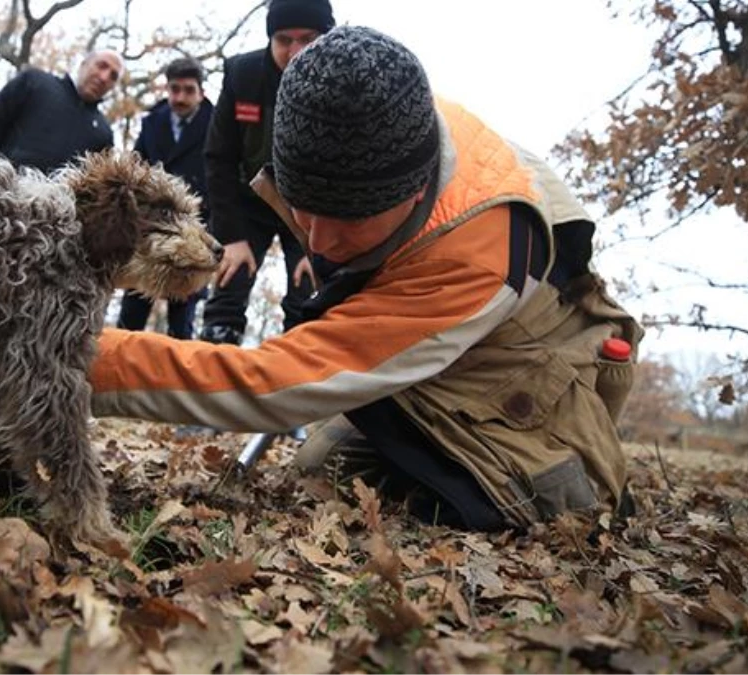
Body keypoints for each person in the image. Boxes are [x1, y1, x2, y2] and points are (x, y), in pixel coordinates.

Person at [88, 26, 644, 532]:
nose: (320, 244)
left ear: (414, 193)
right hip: (464, 329)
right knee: (320, 466)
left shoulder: (472, 255)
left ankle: (561, 467)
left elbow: (280, 384)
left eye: (347, 224)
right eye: (302, 210)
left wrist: (82, 353)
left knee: (486, 496)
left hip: (525, 368)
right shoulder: (382, 115)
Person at [198, 0, 335, 346]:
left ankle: (299, 378)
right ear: (271, 38)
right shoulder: (242, 75)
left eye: (308, 38)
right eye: (284, 39)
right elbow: (219, 157)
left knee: (310, 293)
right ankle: (214, 367)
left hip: (310, 208)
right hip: (248, 204)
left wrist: (324, 247)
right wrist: (230, 236)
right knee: (230, 281)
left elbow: (347, 172)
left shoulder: (344, 79)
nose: (295, 51)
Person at [117, 57, 215, 339]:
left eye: (188, 90)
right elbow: (135, 170)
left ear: (201, 92)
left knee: (182, 323)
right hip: (150, 235)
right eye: (175, 89)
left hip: (196, 232)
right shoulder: (152, 123)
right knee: (131, 314)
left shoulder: (218, 124)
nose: (180, 97)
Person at [0, 49, 123, 173]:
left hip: (57, 205)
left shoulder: (104, 134)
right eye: (101, 66)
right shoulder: (35, 82)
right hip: (0, 191)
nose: (104, 77)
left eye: (113, 76)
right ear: (84, 64)